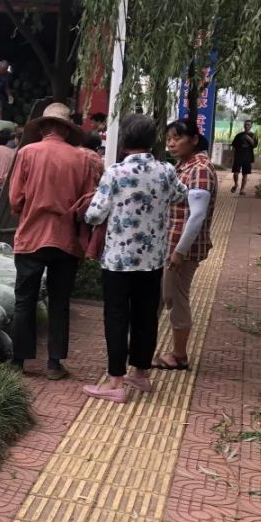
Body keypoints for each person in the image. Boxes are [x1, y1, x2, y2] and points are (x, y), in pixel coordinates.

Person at [81, 115, 188, 403]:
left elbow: (95, 213)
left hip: (118, 260)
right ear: (152, 141)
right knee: (145, 317)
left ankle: (115, 380)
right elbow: (182, 195)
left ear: (125, 140)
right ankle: (140, 374)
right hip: (152, 259)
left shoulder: (115, 172)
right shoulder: (165, 170)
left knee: (116, 316)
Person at [7, 103, 96, 380]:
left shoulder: (27, 153)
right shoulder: (83, 159)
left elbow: (15, 200)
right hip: (66, 240)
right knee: (59, 302)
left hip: (31, 238)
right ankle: (54, 364)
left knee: (25, 301)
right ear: (67, 130)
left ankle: (19, 361)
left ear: (44, 127)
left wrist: (30, 209)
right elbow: (89, 203)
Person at [154, 118, 218, 370]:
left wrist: (179, 252)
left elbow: (198, 214)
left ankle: (179, 356)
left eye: (177, 138)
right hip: (170, 245)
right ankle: (142, 348)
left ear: (193, 139)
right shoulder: (183, 165)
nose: (171, 143)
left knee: (175, 299)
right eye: (168, 138)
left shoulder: (200, 168)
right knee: (160, 297)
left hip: (181, 250)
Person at [230, 119, 257, 195]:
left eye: (248, 125)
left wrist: (248, 138)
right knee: (235, 173)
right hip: (238, 156)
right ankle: (236, 184)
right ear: (244, 125)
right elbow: (233, 147)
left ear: (251, 126)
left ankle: (242, 190)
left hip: (248, 157)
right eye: (245, 125)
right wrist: (231, 157)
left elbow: (254, 145)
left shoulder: (254, 135)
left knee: (245, 174)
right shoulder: (239, 135)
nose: (246, 126)